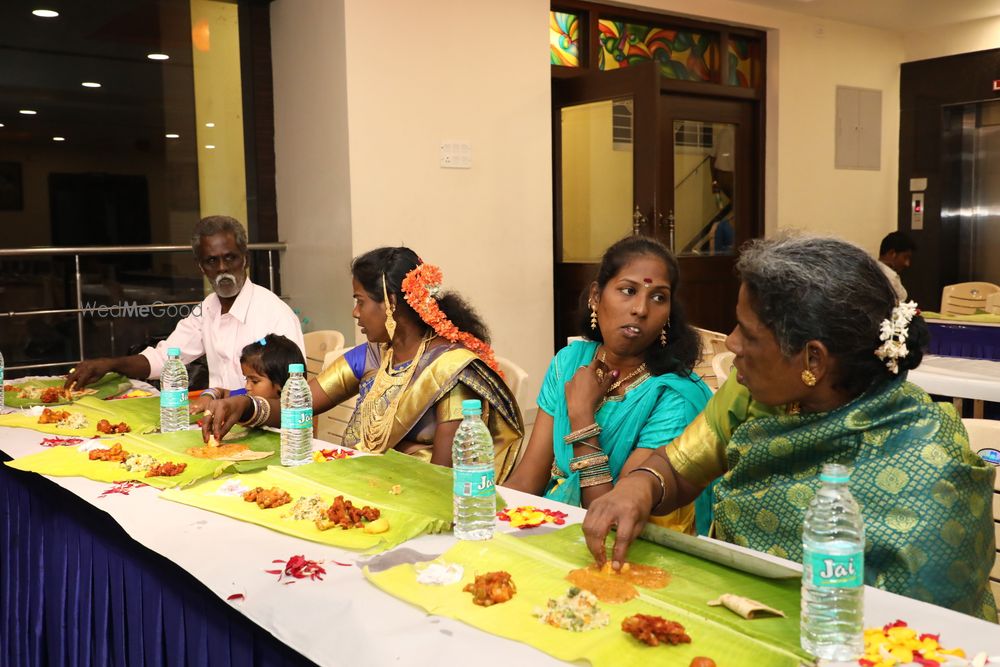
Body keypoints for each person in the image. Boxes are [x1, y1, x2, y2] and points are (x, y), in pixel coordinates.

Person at [582, 235, 997, 621]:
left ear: (812, 362)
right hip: (738, 616)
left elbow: (922, 632)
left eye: (749, 333)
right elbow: (678, 466)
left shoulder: (931, 471)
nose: (731, 344)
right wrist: (640, 485)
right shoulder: (751, 394)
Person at [203, 247, 524, 482]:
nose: (355, 312)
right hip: (366, 483)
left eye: (360, 301)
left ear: (393, 304)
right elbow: (301, 405)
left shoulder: (449, 369)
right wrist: (244, 405)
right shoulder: (372, 354)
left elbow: (441, 476)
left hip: (414, 497)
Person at [505, 237, 711, 529]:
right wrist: (489, 522)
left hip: (629, 547)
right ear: (596, 296)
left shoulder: (673, 396)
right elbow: (529, 478)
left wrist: (582, 417)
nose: (641, 309)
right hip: (554, 525)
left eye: (658, 297)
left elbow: (614, 519)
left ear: (667, 315)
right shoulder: (569, 362)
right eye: (628, 290)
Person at [65, 216, 305, 392]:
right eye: (212, 261)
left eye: (230, 257)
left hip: (268, 430)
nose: (222, 268)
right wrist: (110, 364)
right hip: (217, 423)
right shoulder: (207, 308)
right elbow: (166, 359)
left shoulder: (274, 314)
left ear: (246, 259)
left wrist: (227, 399)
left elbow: (293, 392)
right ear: (201, 267)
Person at [191, 334, 305, 409]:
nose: (247, 386)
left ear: (281, 384)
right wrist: (207, 396)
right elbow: (220, 392)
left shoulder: (292, 414)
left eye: (254, 381)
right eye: (246, 379)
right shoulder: (247, 396)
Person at [878, 231, 916, 301]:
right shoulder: (890, 277)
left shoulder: (868, 269)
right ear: (892, 253)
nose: (907, 264)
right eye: (905, 257)